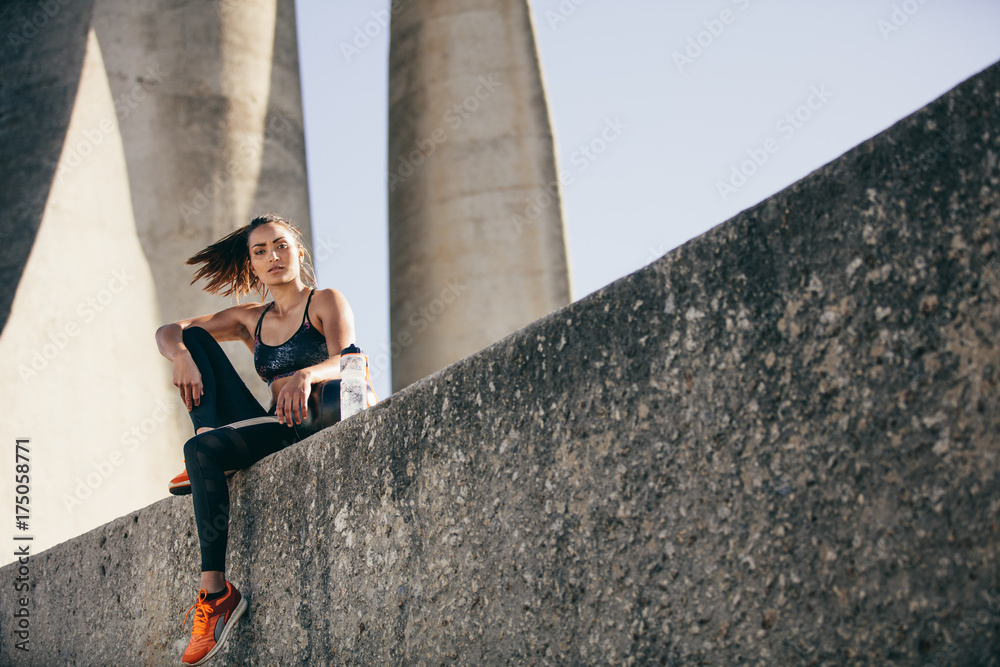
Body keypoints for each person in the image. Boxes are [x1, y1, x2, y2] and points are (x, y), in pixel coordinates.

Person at [155, 213, 356, 665]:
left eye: (281, 246)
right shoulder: (251, 319)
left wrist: (304, 374)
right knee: (193, 338)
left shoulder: (324, 300)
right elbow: (168, 330)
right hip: (274, 424)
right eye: (260, 251)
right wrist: (182, 355)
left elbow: (350, 363)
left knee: (198, 454)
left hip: (311, 419)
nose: (273, 257)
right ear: (251, 263)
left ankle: (215, 595)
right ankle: (211, 436)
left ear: (298, 250)